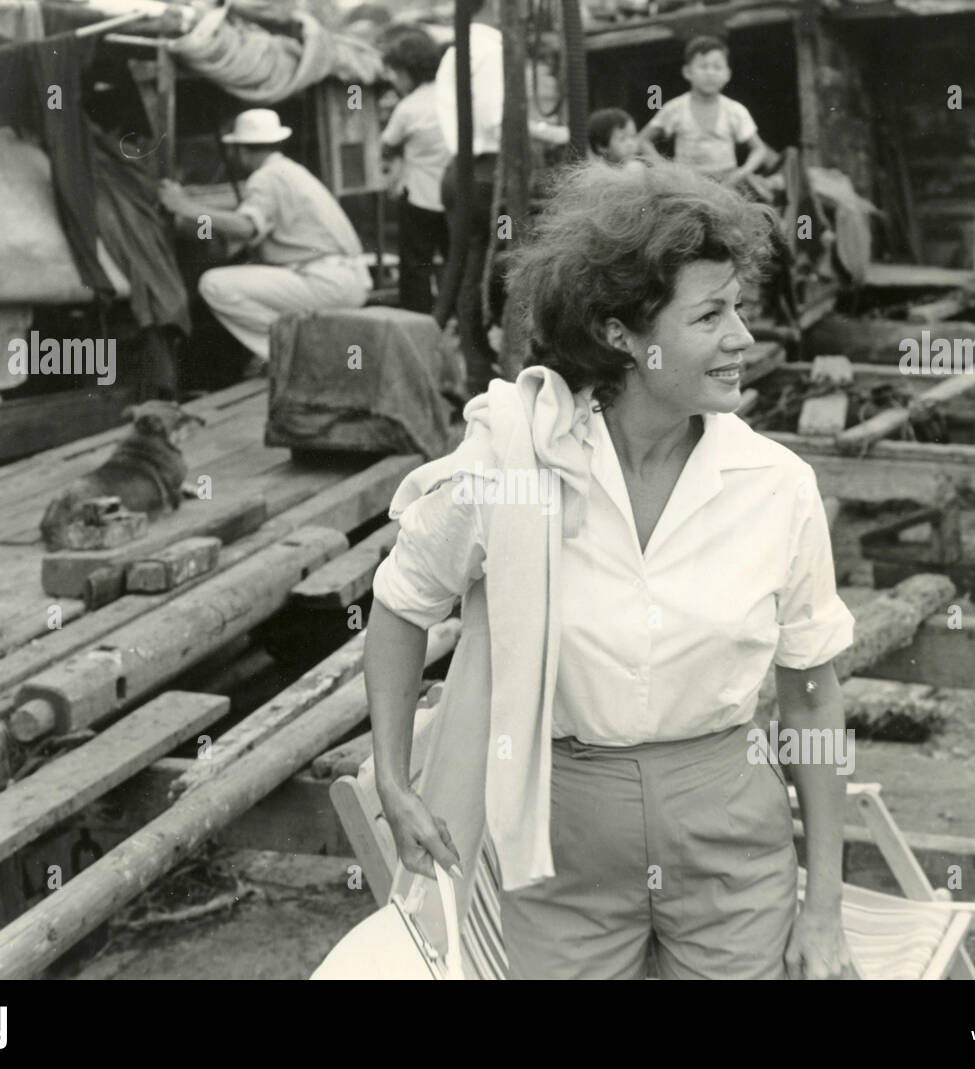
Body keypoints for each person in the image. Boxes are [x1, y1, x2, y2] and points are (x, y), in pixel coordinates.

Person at [364, 159, 856, 980]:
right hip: (560, 834)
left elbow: (811, 690)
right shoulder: (516, 462)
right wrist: (389, 774)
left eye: (738, 306)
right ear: (621, 334)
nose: (743, 337)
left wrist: (826, 905)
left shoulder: (777, 486)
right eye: (710, 315)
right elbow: (402, 600)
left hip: (728, 824)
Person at [158, 109, 371, 378]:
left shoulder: (266, 177)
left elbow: (247, 227)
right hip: (346, 277)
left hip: (326, 281)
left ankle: (298, 354)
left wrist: (185, 207)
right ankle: (297, 351)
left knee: (213, 284)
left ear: (241, 150)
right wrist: (200, 224)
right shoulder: (288, 171)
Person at [434, 0, 569, 395]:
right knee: (502, 265)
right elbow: (499, 118)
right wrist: (553, 133)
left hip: (459, 173)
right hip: (487, 177)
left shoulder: (454, 51)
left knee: (469, 270)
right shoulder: (492, 49)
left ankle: (477, 369)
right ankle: (509, 365)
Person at [638, 34, 772, 185]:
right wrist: (665, 168)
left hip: (727, 185)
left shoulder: (735, 110)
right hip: (687, 186)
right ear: (687, 72)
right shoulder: (675, 108)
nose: (710, 73)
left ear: (727, 74)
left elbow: (759, 149)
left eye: (717, 67)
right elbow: (643, 140)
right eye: (703, 66)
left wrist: (742, 173)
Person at [381, 29, 451, 315]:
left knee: (416, 265)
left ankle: (418, 319)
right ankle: (457, 319)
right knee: (454, 259)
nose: (395, 81)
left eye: (396, 74)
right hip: (454, 196)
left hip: (420, 198)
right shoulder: (453, 95)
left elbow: (386, 144)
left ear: (408, 72)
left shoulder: (408, 108)